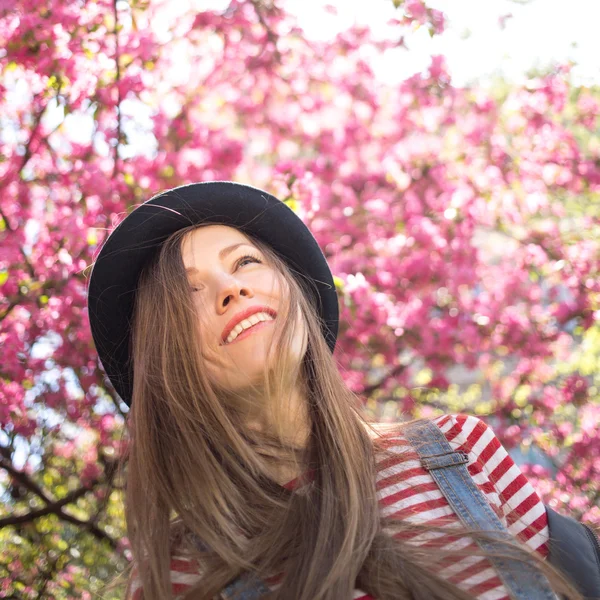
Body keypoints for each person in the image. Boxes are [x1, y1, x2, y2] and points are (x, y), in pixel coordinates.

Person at [87, 182, 584, 600]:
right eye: (189, 291)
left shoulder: (458, 451)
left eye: (245, 262)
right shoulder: (178, 575)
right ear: (168, 362)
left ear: (296, 293)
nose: (231, 289)